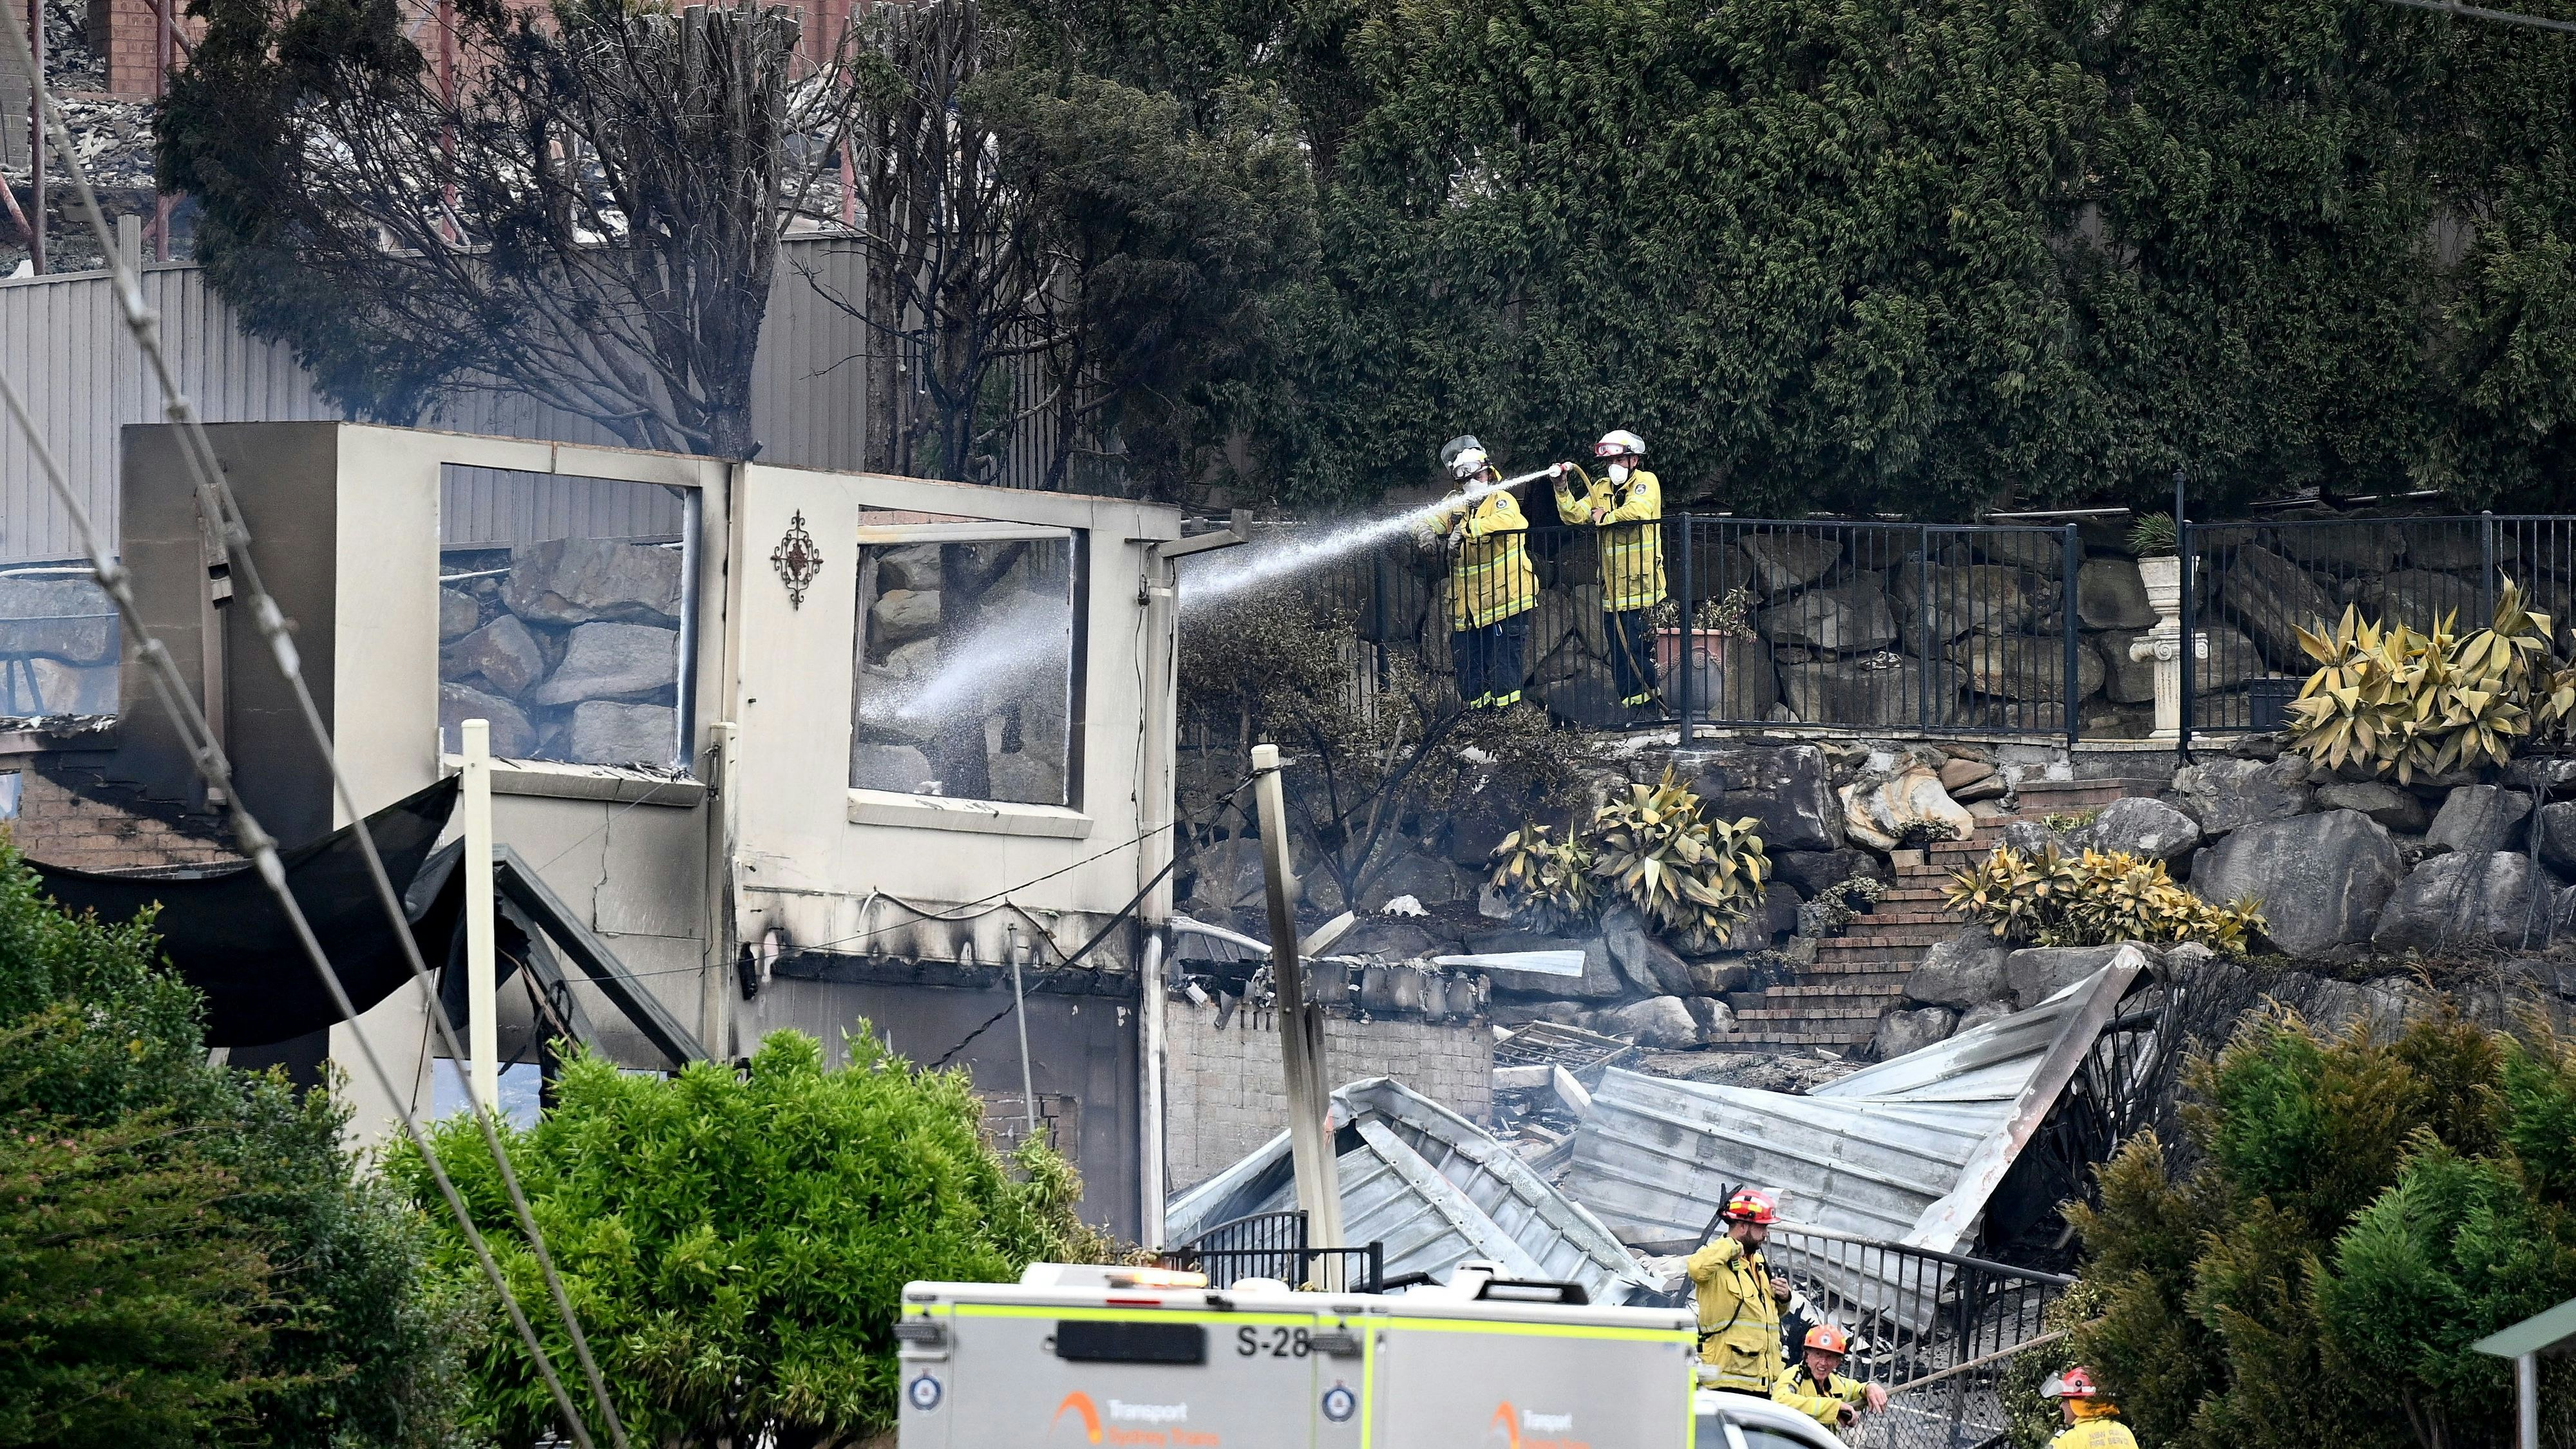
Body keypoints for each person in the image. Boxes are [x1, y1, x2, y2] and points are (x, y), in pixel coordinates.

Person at [1549, 428, 1663, 708]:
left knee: (1641, 655)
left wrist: (1605, 517)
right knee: (1621, 659)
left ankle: (1650, 711)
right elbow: (1574, 515)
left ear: (1633, 461)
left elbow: (1637, 511)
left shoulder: (1646, 482)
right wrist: (1562, 488)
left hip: (1643, 590)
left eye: (1619, 461)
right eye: (1609, 462)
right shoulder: (1599, 488)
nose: (1613, 468)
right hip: (1612, 593)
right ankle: (1632, 714)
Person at [1426, 435, 1537, 708]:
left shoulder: (1502, 500)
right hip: (1469, 612)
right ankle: (1479, 731)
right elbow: (1426, 518)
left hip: (1506, 606)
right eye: (1466, 480)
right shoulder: (1455, 504)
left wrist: (1464, 532)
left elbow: (1510, 521)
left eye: (1478, 476)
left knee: (1504, 677)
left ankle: (1508, 731)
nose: (1473, 483)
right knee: (1468, 677)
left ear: (1488, 473)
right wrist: (1425, 532)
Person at [1685, 1188, 1792, 1395]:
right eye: (1762, 1228)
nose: (1766, 1234)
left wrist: (1784, 1298)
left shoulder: (1759, 1264)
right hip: (1727, 1381)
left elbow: (1766, 1316)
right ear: (1743, 1226)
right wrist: (1731, 1244)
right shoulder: (1716, 1259)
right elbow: (1696, 1268)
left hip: (1762, 1380)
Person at [1771, 1323, 1888, 1432]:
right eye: (1818, 1354)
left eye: (1829, 1357)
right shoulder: (1794, 1376)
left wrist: (1870, 1387)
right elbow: (1780, 1402)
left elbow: (1855, 1389)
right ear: (1807, 1356)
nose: (1823, 1362)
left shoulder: (1834, 1382)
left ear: (1837, 1362)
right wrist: (1834, 1408)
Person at [2041, 1367, 2138, 1449]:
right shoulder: (2123, 1432)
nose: (2061, 1406)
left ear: (2077, 1403)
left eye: (2065, 1400)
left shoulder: (2066, 1441)